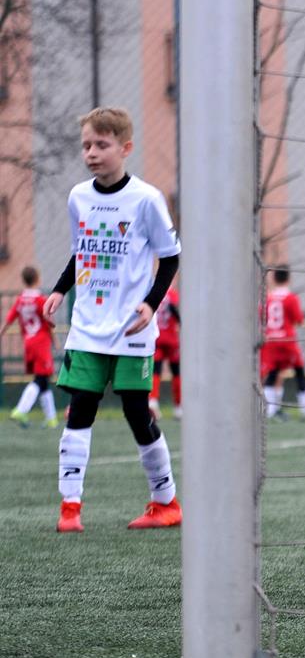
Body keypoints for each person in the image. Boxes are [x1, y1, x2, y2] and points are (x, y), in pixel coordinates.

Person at [43, 107, 182, 533]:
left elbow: (171, 257)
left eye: (101, 145)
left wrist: (150, 304)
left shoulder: (146, 199)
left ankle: (166, 502)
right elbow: (80, 251)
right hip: (87, 327)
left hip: (131, 329)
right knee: (79, 410)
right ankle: (70, 508)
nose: (91, 153)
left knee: (136, 411)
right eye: (86, 145)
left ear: (125, 148)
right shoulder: (78, 197)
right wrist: (59, 289)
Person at [2, 265, 59, 428]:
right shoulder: (40, 299)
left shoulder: (20, 300)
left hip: (28, 343)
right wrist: (55, 340)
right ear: (37, 279)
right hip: (41, 343)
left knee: (43, 380)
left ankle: (51, 418)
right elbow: (48, 321)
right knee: (40, 379)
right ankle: (20, 410)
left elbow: (8, 320)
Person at [261, 267, 305, 421]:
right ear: (289, 278)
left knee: (272, 374)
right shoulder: (291, 298)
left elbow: (261, 317)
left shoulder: (267, 298)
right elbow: (299, 320)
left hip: (270, 342)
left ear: (273, 278)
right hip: (287, 342)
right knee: (300, 373)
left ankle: (270, 412)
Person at [149, 280, 181, 420]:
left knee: (156, 371)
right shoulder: (171, 294)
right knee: (176, 372)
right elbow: (173, 308)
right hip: (171, 339)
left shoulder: (155, 292)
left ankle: (153, 401)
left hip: (157, 337)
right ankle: (178, 406)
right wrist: (181, 322)